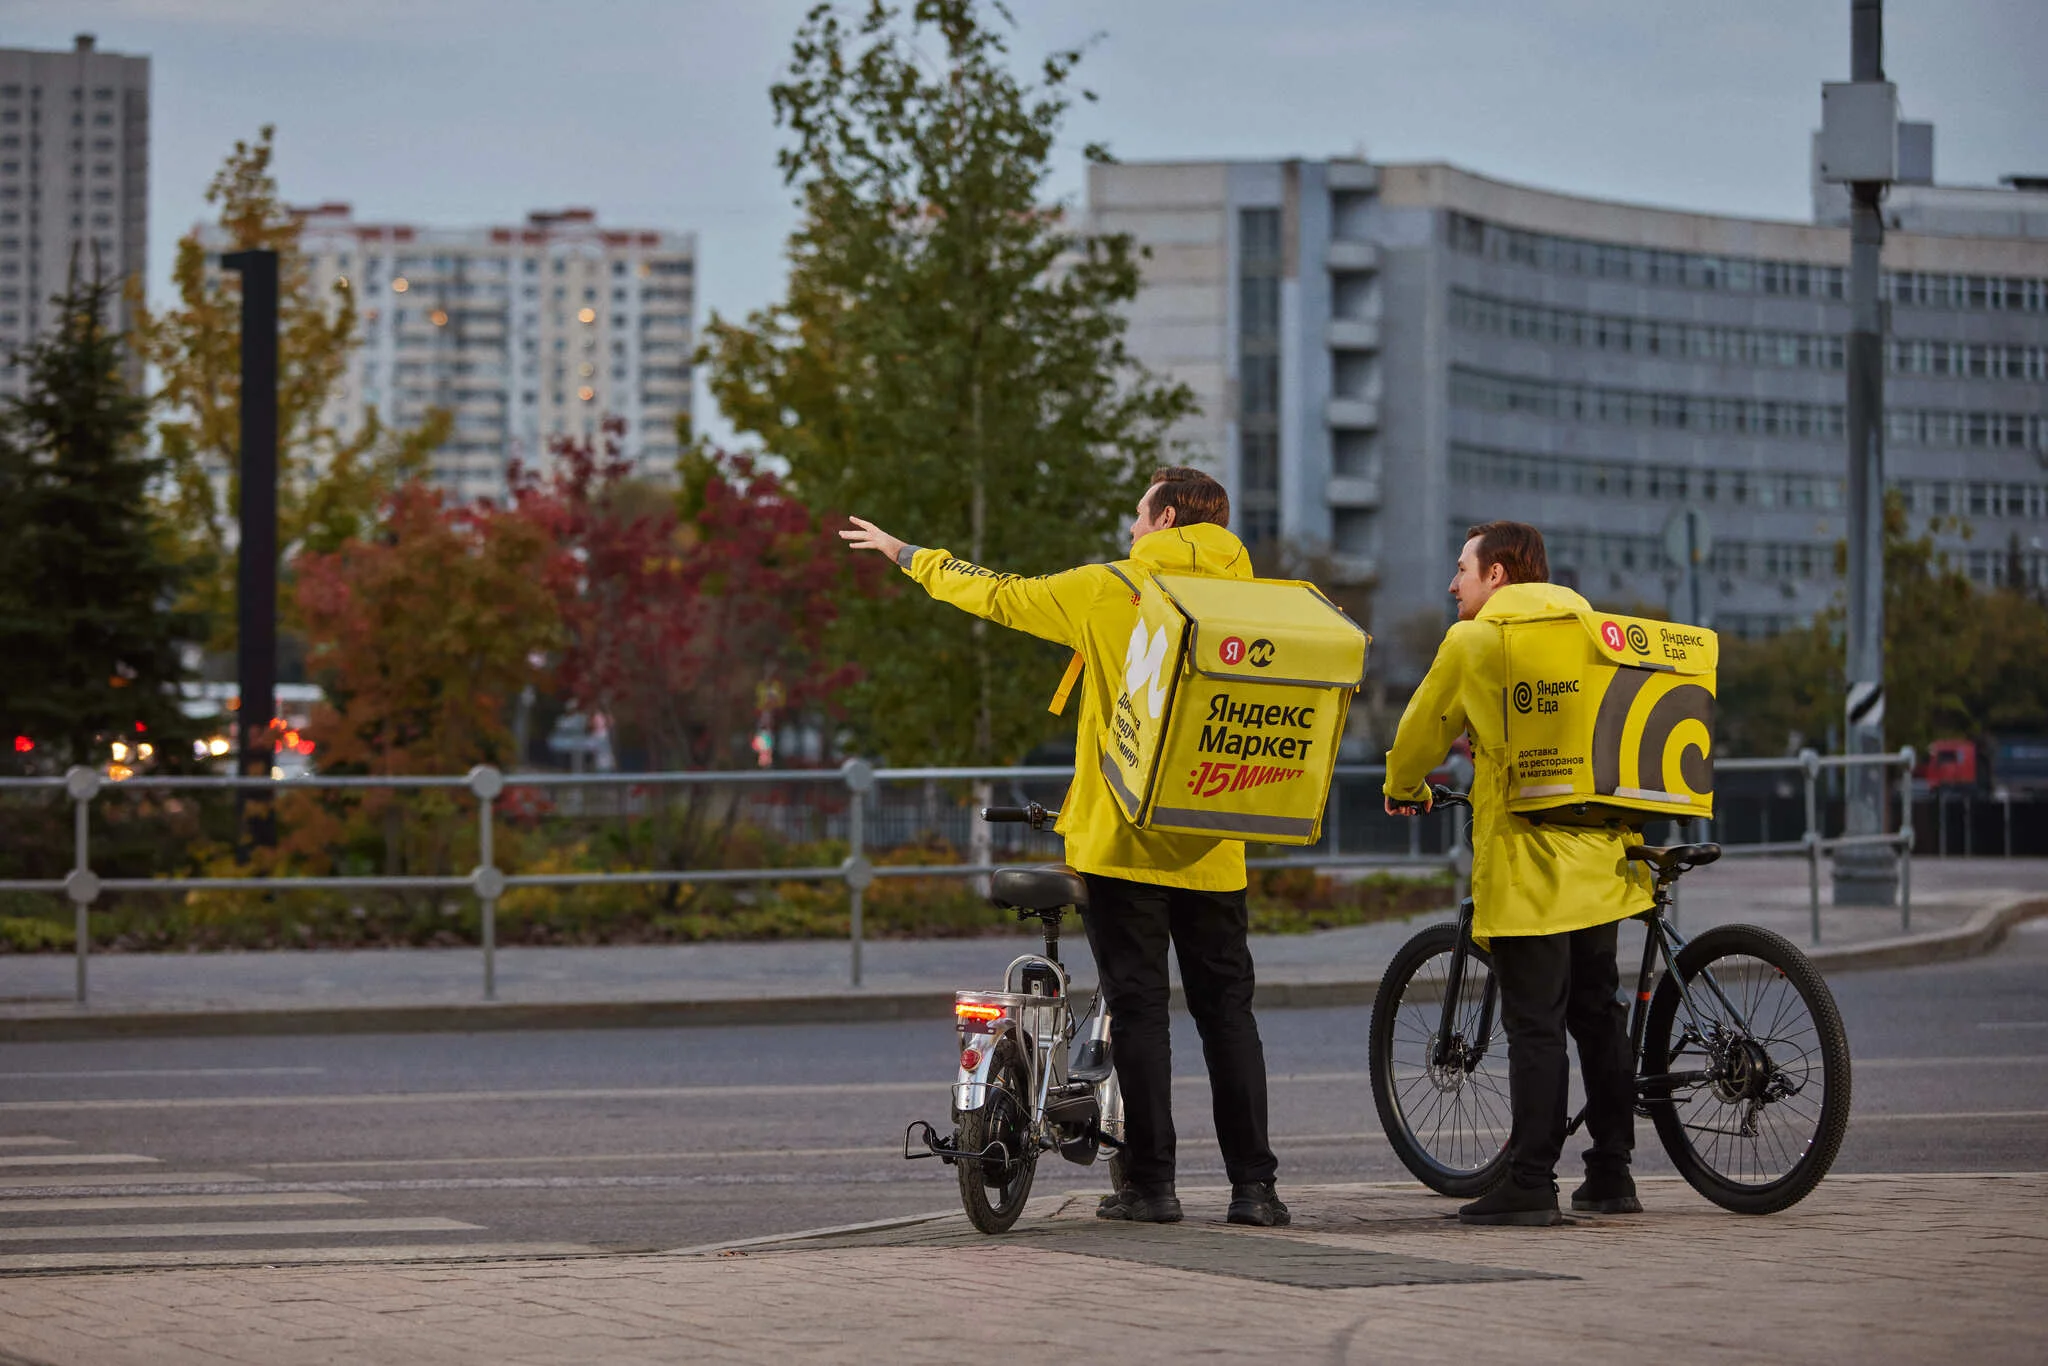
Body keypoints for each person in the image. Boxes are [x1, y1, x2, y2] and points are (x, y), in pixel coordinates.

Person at [839, 467, 1288, 1228]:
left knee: (1142, 1015)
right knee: (1229, 1017)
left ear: (1168, 515)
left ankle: (1153, 1186)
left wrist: (907, 553)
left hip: (1120, 844)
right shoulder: (1259, 601)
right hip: (1215, 844)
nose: (1132, 531)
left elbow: (1000, 594)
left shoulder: (1110, 588)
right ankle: (1256, 1190)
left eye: (1140, 518)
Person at [1382, 521, 1654, 1226]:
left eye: (1462, 570)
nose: (1453, 584)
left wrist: (1403, 785)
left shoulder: (1476, 642)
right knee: (1599, 1016)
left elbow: (1420, 730)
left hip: (1531, 868)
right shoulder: (1592, 632)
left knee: (1536, 1025)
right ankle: (1612, 1173)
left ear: (1497, 574)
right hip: (1600, 857)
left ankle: (1531, 1183)